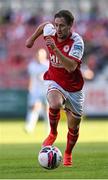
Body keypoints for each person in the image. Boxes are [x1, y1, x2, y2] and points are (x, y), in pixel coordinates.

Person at [26, 10, 84, 167]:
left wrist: (56, 50)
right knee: (54, 104)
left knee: (74, 125)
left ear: (70, 26)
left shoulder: (77, 42)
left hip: (74, 87)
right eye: (56, 25)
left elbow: (71, 67)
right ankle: (52, 133)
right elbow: (44, 25)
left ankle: (68, 153)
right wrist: (31, 39)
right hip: (54, 80)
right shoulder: (51, 31)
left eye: (62, 26)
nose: (58, 29)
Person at [25, 48, 49, 133]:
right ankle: (29, 127)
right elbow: (31, 78)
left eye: (41, 54)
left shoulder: (48, 65)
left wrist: (44, 77)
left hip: (47, 90)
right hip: (36, 90)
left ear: (45, 55)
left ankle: (49, 128)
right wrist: (30, 89)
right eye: (38, 54)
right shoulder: (32, 65)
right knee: (34, 107)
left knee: (47, 110)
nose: (39, 56)